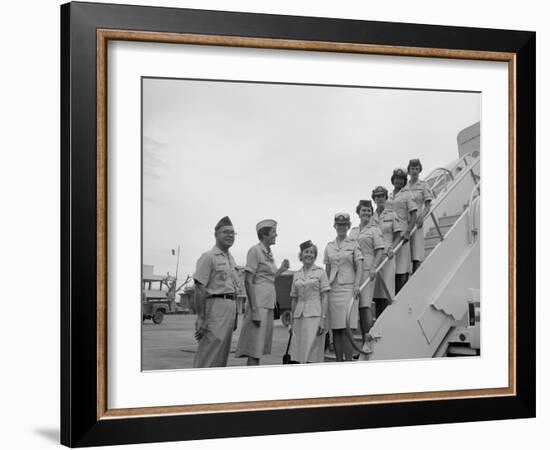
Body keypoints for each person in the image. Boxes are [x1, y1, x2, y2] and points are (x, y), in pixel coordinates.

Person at [235, 219, 289, 366]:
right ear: (264, 234)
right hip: (258, 304)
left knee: (259, 349)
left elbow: (270, 278)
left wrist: (282, 270)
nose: (276, 235)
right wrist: (254, 310)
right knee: (254, 349)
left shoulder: (268, 253)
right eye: (273, 232)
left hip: (268, 303)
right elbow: (248, 280)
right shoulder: (255, 250)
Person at [193, 216, 241, 368]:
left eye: (233, 233)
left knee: (221, 357)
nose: (230, 235)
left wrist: (235, 317)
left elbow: (233, 289)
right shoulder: (208, 257)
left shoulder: (231, 260)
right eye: (226, 232)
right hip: (215, 308)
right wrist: (201, 317)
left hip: (230, 309)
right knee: (208, 353)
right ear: (216, 234)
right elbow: (199, 288)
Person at [323, 213, 363, 361]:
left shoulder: (353, 243)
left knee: (347, 329)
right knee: (337, 330)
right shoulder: (329, 246)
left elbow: (359, 265)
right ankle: (339, 362)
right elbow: (327, 269)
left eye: (344, 225)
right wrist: (325, 289)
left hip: (348, 289)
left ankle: (348, 362)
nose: (341, 227)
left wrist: (357, 285)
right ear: (335, 226)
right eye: (339, 225)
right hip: (333, 290)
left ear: (348, 226)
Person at [288, 240, 330, 364]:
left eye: (312, 252)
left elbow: (325, 296)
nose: (309, 255)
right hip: (299, 317)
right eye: (306, 252)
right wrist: (291, 322)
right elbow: (294, 298)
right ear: (301, 255)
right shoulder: (296, 274)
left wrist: (323, 319)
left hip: (315, 316)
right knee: (299, 352)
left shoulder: (320, 272)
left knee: (313, 353)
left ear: (315, 255)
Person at [350, 200, 385, 341]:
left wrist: (374, 267)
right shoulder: (353, 231)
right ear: (358, 212)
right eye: (363, 210)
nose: (366, 213)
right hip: (352, 270)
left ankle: (368, 340)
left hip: (366, 269)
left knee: (365, 305)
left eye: (369, 210)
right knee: (356, 307)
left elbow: (380, 249)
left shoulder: (374, 230)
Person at [371, 186, 404, 317]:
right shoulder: (371, 218)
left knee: (387, 289)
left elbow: (398, 235)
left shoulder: (392, 215)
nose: (380, 198)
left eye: (382, 196)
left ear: (386, 198)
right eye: (377, 196)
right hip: (374, 257)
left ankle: (388, 317)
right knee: (376, 290)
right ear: (374, 199)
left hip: (387, 256)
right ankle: (379, 318)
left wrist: (393, 248)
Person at [388, 168, 418, 293]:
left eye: (401, 179)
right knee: (391, 265)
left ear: (404, 180)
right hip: (390, 233)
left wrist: (408, 232)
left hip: (402, 234)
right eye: (396, 178)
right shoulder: (388, 196)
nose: (398, 181)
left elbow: (414, 214)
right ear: (393, 179)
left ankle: (402, 293)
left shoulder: (407, 194)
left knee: (402, 266)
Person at [402, 158, 434, 273]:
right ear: (409, 171)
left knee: (416, 252)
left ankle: (416, 274)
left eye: (416, 168)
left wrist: (422, 217)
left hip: (416, 221)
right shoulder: (404, 187)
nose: (414, 171)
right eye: (412, 168)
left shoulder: (423, 185)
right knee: (405, 251)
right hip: (405, 221)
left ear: (420, 170)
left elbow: (428, 205)